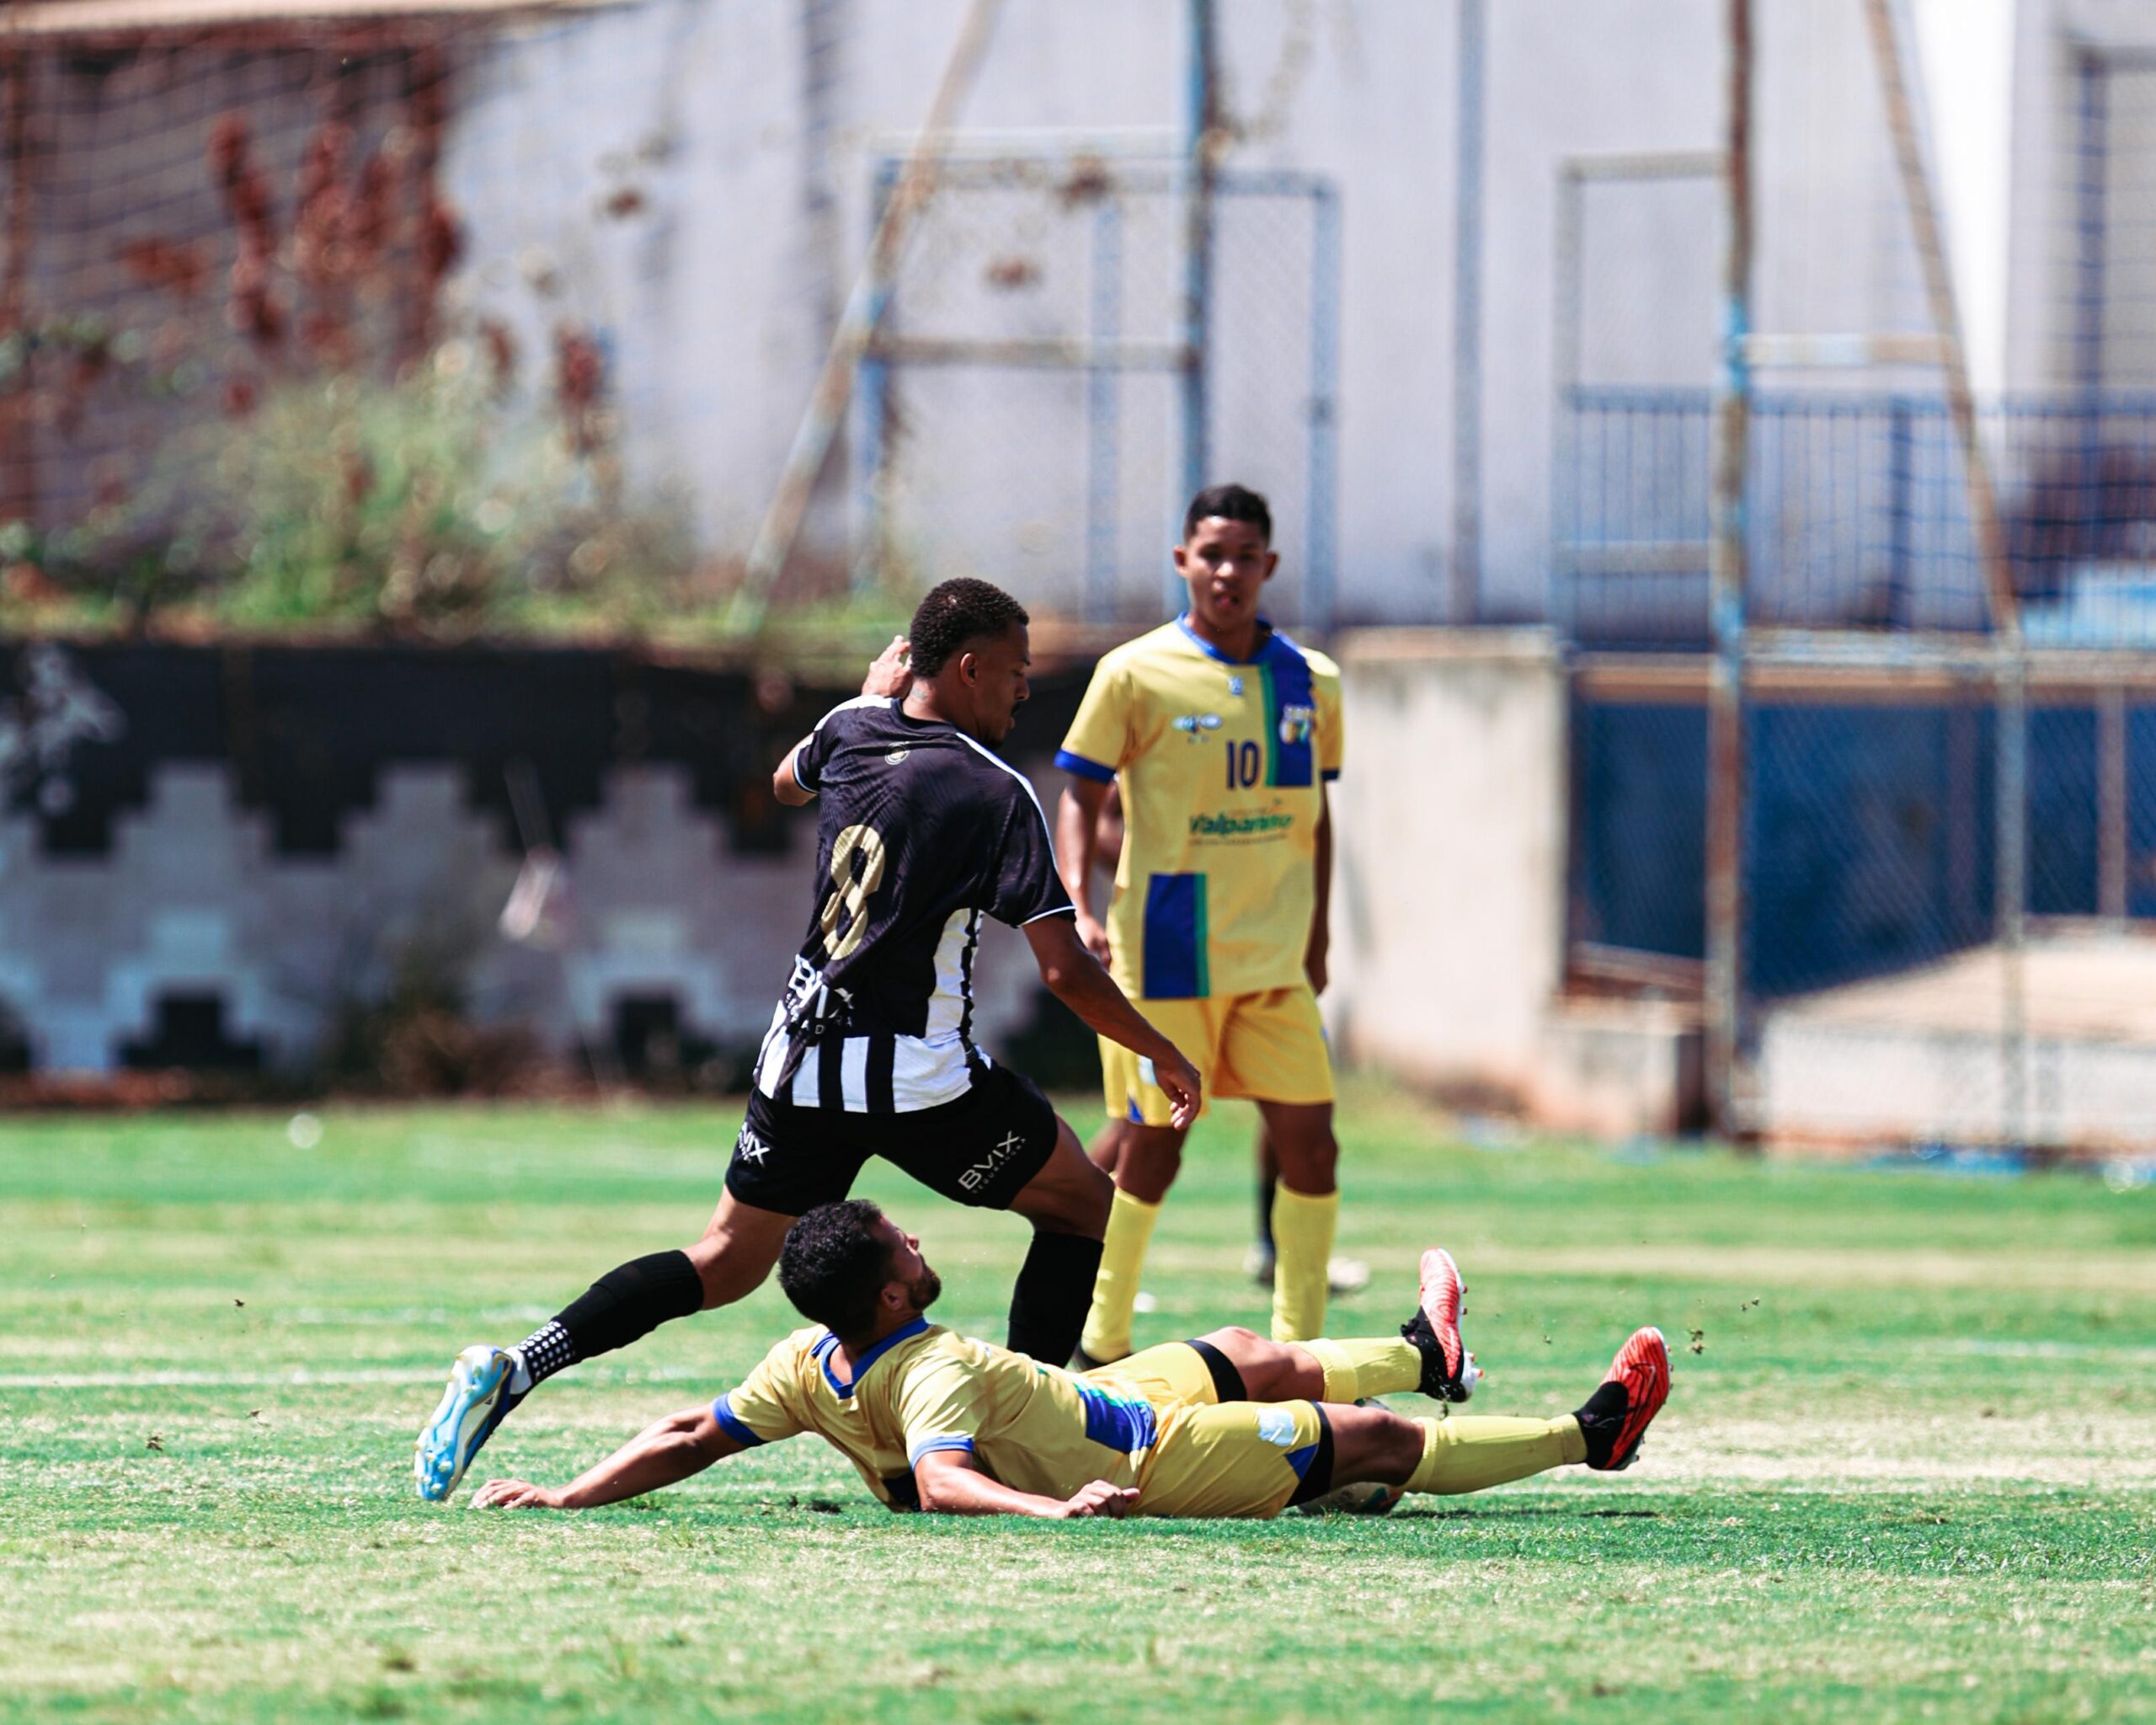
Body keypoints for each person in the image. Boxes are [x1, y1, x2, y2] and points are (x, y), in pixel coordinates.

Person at [415, 578, 1203, 1503]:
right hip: (919, 1079)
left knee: (722, 1260)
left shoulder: (850, 729)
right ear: (969, 666)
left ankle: (517, 1361)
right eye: (1017, 672)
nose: (1024, 691)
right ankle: (1014, 1430)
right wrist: (1159, 1047)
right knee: (1078, 1203)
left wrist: (868, 696)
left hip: (798, 1058)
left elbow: (791, 780)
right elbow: (1064, 969)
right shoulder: (995, 791)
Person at [470, 1199, 1671, 1521]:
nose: (923, 1239)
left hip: (1088, 1402)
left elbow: (690, 1432)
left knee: (1250, 1347)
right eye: (907, 1240)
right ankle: (1590, 1437)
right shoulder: (931, 1368)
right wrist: (1066, 1515)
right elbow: (943, 1483)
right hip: (1145, 1454)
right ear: (892, 1290)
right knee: (1372, 1447)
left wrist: (564, 1492)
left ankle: (1422, 1351)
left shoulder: (806, 1358)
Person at [1054, 483, 1347, 1365]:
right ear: (1183, 560)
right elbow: (1081, 790)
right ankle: (1100, 1343)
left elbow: (1316, 814)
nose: (1228, 571)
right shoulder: (1134, 671)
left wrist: (1320, 931)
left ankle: (1299, 1354)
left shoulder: (1312, 679)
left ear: (1270, 566)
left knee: (1313, 1142)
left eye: (1244, 556)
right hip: (1168, 946)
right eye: (1211, 554)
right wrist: (1072, 896)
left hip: (1273, 952)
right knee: (1152, 1146)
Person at [1086, 780, 1369, 1296]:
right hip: (1175, 960)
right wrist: (1158, 875)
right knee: (1144, 1133)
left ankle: (1270, 1247)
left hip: (1262, 957)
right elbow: (1096, 814)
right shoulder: (1162, 710)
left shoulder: (1282, 712)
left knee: (1296, 1110)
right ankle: (1080, 1247)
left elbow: (1314, 819)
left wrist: (1314, 933)